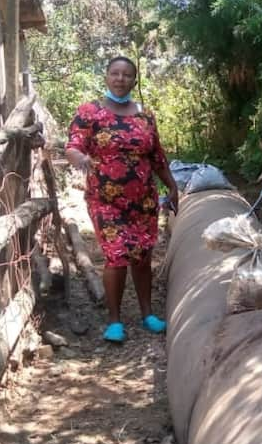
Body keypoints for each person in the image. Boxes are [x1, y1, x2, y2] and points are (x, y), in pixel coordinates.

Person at [65, 56, 179, 343]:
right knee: (116, 256)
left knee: (142, 256)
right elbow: (73, 145)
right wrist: (80, 158)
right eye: (115, 73)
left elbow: (157, 156)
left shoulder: (144, 116)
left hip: (143, 200)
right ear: (106, 77)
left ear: (134, 80)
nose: (120, 79)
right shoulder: (90, 112)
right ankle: (114, 321)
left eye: (127, 75)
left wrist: (172, 187)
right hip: (105, 199)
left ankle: (147, 314)